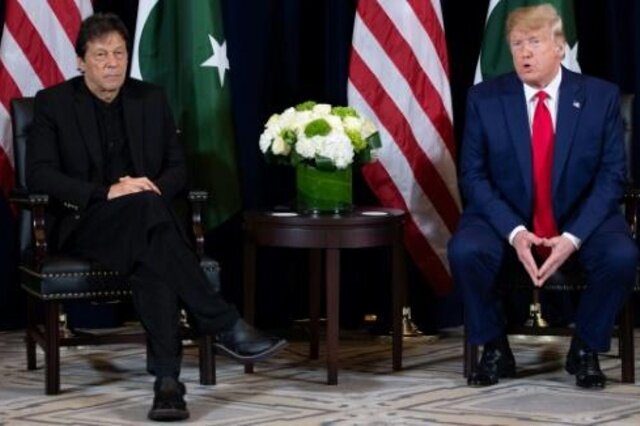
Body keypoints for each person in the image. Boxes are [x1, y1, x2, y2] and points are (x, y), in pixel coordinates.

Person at [26, 13, 286, 421]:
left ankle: (168, 387)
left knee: (152, 246)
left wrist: (148, 188)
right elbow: (40, 174)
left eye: (119, 53)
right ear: (80, 61)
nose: (112, 63)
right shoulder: (53, 103)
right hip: (85, 222)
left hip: (146, 220)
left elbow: (177, 168)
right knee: (152, 220)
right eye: (101, 55)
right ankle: (222, 323)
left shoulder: (150, 98)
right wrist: (107, 191)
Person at [448, 4, 638, 389]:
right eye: (517, 44)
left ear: (560, 46)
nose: (524, 53)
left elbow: (612, 176)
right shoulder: (485, 99)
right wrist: (515, 231)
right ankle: (494, 347)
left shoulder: (599, 97)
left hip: (579, 217)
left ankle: (585, 348)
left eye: (534, 42)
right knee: (465, 250)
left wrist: (573, 237)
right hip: (504, 217)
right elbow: (473, 176)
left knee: (622, 256)